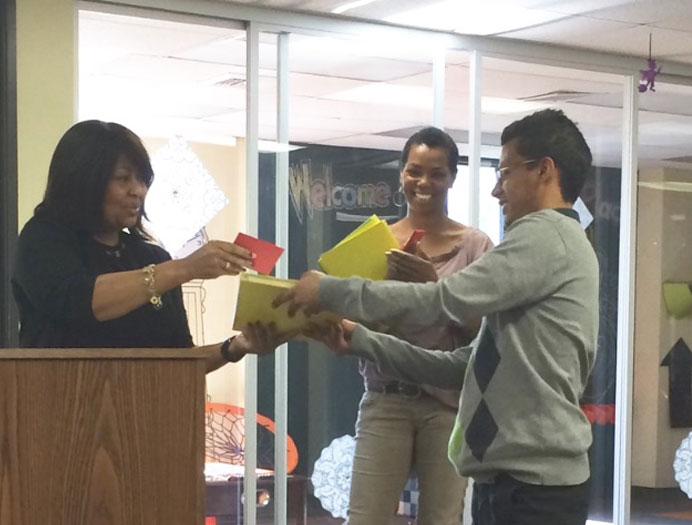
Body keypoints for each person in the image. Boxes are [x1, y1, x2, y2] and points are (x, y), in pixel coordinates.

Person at [279, 108, 599, 525]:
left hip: (532, 485)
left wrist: (330, 290)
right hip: (512, 478)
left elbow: (443, 300)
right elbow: (462, 365)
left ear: (544, 171)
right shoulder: (554, 241)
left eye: (504, 173)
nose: (497, 192)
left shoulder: (545, 235)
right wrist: (360, 339)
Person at [12, 120, 269, 368]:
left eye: (142, 179)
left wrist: (235, 347)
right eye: (123, 179)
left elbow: (180, 361)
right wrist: (184, 268)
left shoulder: (152, 255)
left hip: (148, 408)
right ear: (83, 181)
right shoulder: (43, 239)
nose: (139, 191)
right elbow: (81, 300)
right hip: (61, 404)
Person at [341, 127, 492, 525]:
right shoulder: (375, 241)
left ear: (452, 179)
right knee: (365, 517)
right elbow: (351, 326)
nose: (423, 182)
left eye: (436, 173)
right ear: (401, 174)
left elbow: (486, 334)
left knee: (442, 519)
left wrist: (433, 286)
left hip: (446, 405)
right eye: (414, 171)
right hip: (385, 397)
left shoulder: (475, 246)